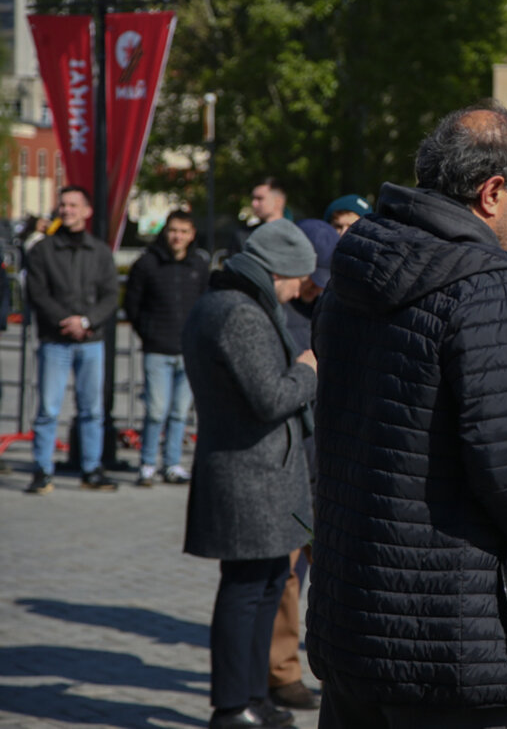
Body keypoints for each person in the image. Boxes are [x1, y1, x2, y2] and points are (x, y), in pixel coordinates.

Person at [305, 102, 507, 729]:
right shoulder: (490, 285)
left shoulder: (355, 263)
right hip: (450, 631)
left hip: (356, 613)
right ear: (491, 193)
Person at [182, 219, 318, 729]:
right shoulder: (239, 312)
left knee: (265, 585)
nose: (293, 292)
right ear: (275, 270)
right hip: (247, 474)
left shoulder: (238, 304)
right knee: (245, 590)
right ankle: (232, 705)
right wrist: (309, 369)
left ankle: (253, 696)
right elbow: (271, 398)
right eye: (293, 279)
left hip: (260, 474)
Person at [265, 218, 339, 712]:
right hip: (291, 462)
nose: (318, 286)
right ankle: (280, 671)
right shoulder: (275, 315)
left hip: (331, 462)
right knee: (286, 577)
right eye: (316, 275)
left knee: (335, 574)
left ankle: (334, 667)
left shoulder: (334, 305)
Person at [24, 186, 120, 495]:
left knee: (92, 408)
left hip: (91, 340)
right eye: (63, 204)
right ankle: (42, 470)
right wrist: (66, 321)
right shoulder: (43, 250)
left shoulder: (100, 251)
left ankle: (91, 468)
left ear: (87, 211)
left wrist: (86, 321)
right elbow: (37, 293)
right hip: (55, 339)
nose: (67, 210)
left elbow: (110, 295)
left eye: (73, 205)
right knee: (48, 409)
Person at [124, 210, 210, 487]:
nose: (178, 236)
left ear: (192, 234)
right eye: (173, 230)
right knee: (156, 411)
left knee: (179, 413)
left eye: (184, 231)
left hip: (188, 351)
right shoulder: (147, 264)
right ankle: (147, 464)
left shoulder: (199, 265)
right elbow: (132, 305)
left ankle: (172, 463)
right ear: (165, 231)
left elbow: (205, 305)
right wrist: (148, 333)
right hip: (157, 350)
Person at [229, 177, 287, 255]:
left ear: (278, 201)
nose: (254, 204)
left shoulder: (295, 236)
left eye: (260, 199)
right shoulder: (243, 237)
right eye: (253, 199)